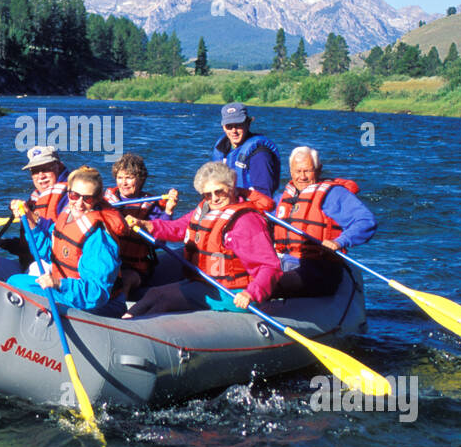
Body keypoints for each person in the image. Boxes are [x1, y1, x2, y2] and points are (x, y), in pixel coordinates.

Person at [123, 162, 279, 317]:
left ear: (231, 187)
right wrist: (146, 225)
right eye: (207, 194)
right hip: (207, 284)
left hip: (233, 293)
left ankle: (132, 327)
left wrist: (251, 293)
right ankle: (125, 322)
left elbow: (270, 266)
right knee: (154, 294)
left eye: (219, 192)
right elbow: (179, 227)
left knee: (162, 300)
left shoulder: (246, 221)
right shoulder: (206, 208)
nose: (214, 198)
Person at [7, 165, 124, 315]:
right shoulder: (68, 217)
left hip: (100, 305)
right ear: (68, 193)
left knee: (18, 285)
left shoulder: (99, 238)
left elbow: (97, 293)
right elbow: (48, 251)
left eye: (87, 198)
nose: (79, 203)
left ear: (97, 198)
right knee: (15, 281)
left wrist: (59, 283)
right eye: (74, 195)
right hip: (71, 292)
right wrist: (29, 219)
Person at [270, 146, 377, 298]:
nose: (302, 177)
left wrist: (339, 242)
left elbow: (366, 221)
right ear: (291, 171)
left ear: (319, 170)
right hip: (285, 263)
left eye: (308, 171)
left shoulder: (334, 195)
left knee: (268, 284)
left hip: (320, 269)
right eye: (297, 171)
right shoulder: (281, 199)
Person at [103, 153, 177, 298]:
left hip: (134, 268)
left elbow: (159, 242)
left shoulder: (150, 206)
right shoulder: (105, 201)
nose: (123, 183)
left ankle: (118, 308)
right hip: (109, 261)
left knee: (125, 279)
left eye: (129, 178)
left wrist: (168, 211)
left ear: (141, 179)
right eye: (120, 178)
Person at [211, 102, 281, 200]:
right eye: (229, 126)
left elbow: (264, 198)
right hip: (228, 203)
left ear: (247, 124)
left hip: (251, 208)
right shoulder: (222, 148)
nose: (234, 131)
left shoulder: (260, 155)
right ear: (223, 127)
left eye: (238, 125)